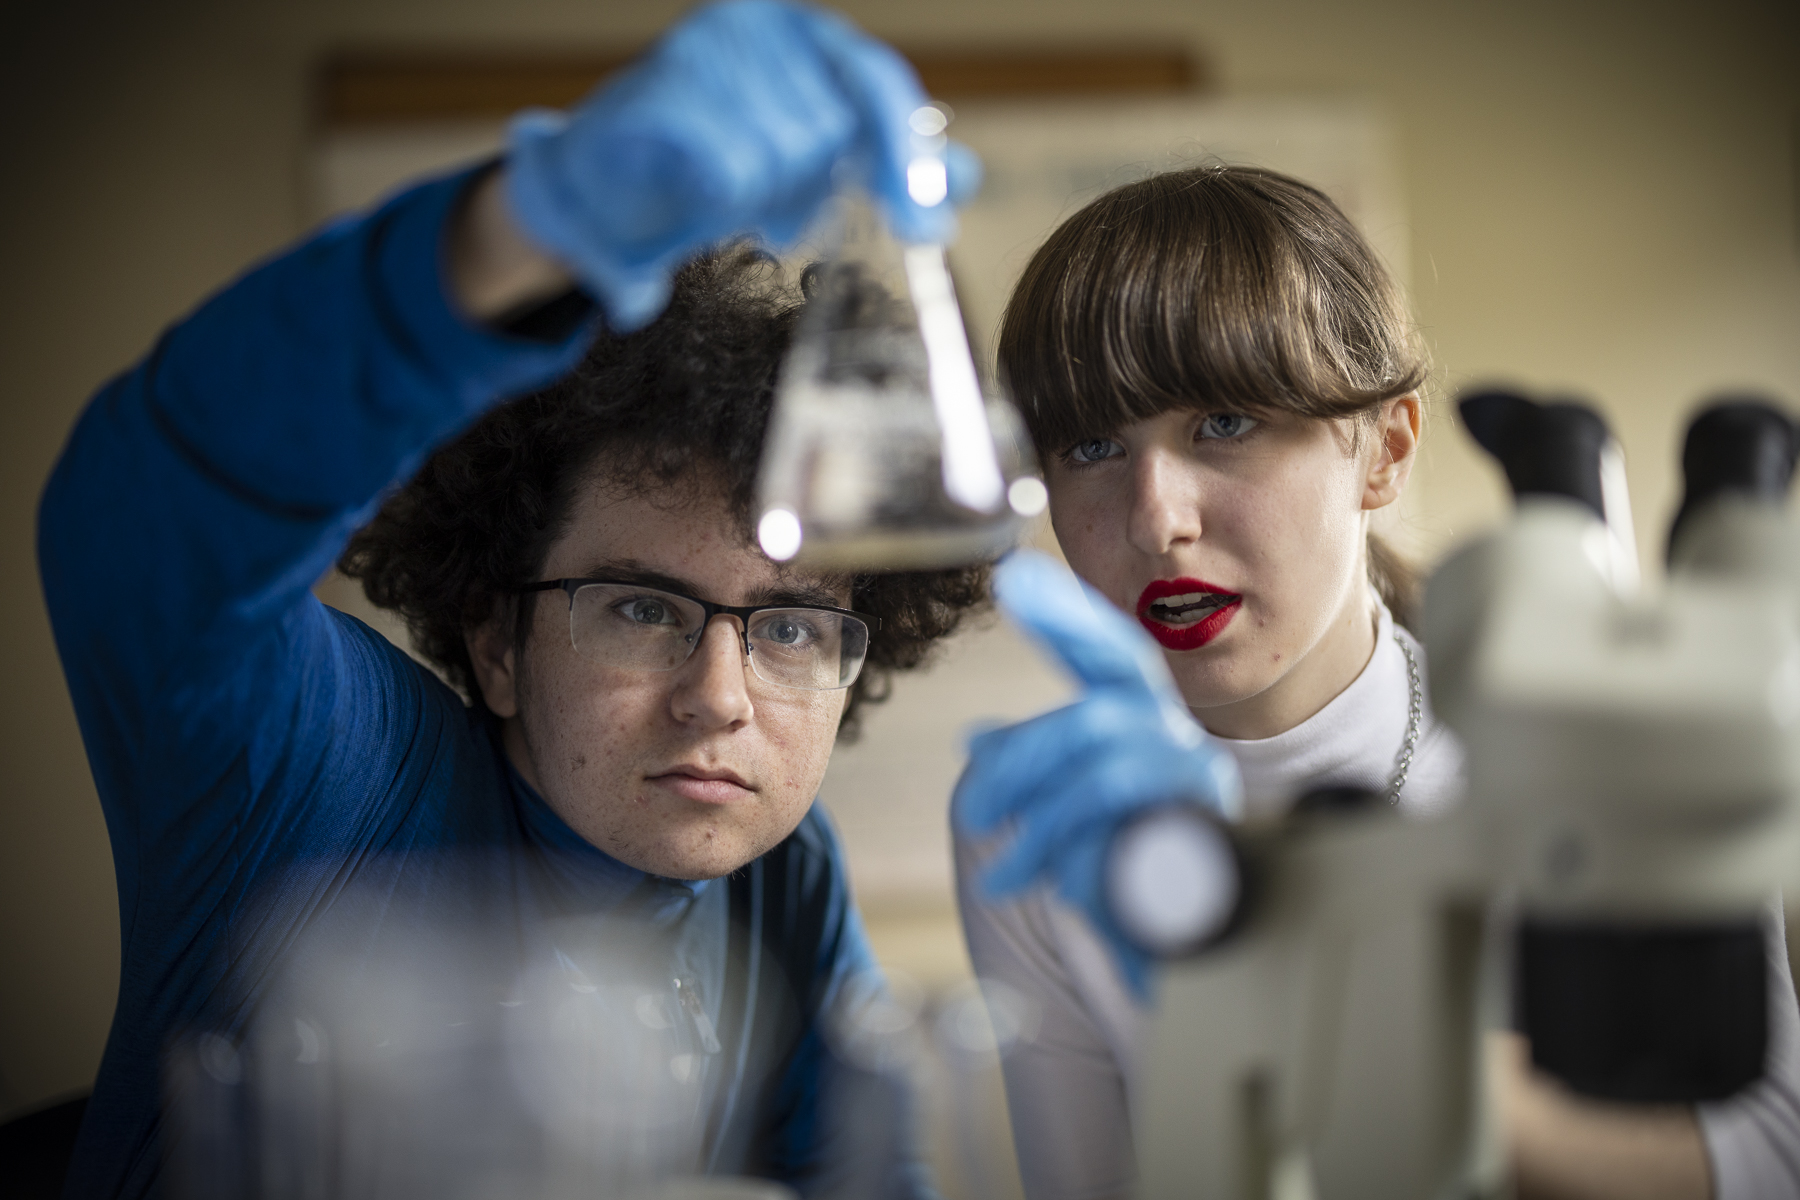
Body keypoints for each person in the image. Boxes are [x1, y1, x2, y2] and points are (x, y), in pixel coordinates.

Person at [37, 4, 984, 1196]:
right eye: (642, 608)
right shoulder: (324, 782)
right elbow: (150, 512)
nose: (720, 699)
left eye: (789, 627)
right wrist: (521, 235)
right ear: (494, 639)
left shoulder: (780, 878)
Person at [951, 165, 1800, 1200]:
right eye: (1091, 445)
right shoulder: (1042, 816)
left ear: (1385, 452)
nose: (1155, 518)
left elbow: (1770, 1160)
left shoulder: (1594, 743)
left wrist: (1428, 1075)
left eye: (1223, 423)